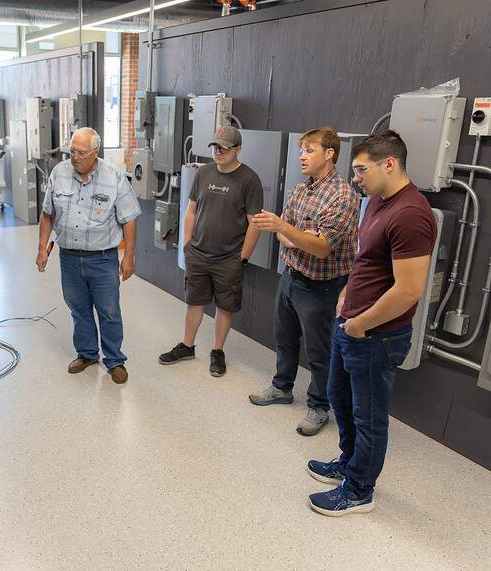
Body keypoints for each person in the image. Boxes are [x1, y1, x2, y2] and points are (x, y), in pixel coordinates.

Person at [308, 130, 436, 516]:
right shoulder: (378, 201)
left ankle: (360, 490)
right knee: (340, 400)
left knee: (369, 417)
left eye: (362, 169)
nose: (356, 177)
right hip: (352, 324)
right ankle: (349, 464)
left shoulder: (411, 214)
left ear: (390, 164)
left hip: (376, 335)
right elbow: (367, 259)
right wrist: (347, 293)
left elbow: (409, 289)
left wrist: (362, 323)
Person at [249, 127, 360, 436]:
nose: (302, 155)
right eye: (301, 150)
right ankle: (282, 387)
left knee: (319, 350)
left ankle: (319, 406)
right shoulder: (301, 189)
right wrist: (298, 236)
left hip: (321, 287)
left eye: (309, 150)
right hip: (291, 276)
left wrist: (291, 232)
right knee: (284, 337)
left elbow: (323, 246)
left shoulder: (343, 196)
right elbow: (285, 234)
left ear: (330, 154)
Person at [36, 127, 141, 384]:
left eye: (81, 152)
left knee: (109, 311)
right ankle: (87, 354)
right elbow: (48, 213)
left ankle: (115, 360)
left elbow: (129, 219)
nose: (75, 156)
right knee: (79, 309)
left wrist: (129, 256)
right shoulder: (59, 173)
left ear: (96, 152)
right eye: (72, 151)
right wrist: (42, 249)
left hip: (103, 258)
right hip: (69, 258)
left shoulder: (114, 177)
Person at [158, 125, 262, 377]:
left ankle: (217, 351)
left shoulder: (249, 180)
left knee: (224, 306)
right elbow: (191, 209)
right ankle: (187, 345)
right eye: (215, 147)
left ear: (238, 149)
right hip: (198, 253)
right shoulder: (203, 173)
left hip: (229, 258)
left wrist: (243, 258)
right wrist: (186, 244)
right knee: (194, 301)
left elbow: (254, 223)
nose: (218, 152)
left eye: (224, 148)